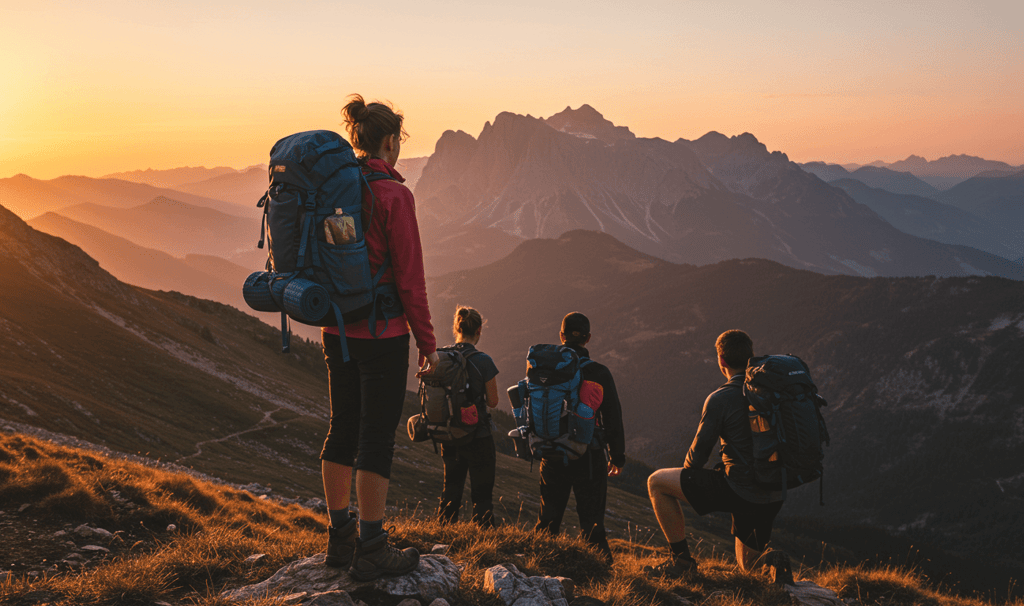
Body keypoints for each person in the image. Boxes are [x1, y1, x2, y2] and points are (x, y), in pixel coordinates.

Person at [320, 95, 439, 581]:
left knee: (342, 426)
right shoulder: (394, 196)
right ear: (390, 142)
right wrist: (429, 346)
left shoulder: (332, 187)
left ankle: (339, 537)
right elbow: (410, 281)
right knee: (374, 438)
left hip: (334, 328)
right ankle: (372, 546)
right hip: (383, 334)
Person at [645, 330, 793, 584]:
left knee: (657, 482)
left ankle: (681, 562)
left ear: (721, 361)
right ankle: (773, 559)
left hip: (739, 489)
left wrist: (689, 480)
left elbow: (698, 456)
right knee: (748, 569)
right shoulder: (774, 392)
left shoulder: (720, 398)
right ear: (750, 357)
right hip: (773, 490)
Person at [534, 312, 626, 564]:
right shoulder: (599, 372)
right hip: (589, 454)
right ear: (588, 338)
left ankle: (537, 568)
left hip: (552, 450)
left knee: (548, 519)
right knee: (592, 522)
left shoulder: (542, 366)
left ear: (561, 336)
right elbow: (613, 417)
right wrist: (617, 456)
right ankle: (602, 578)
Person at [437, 306, 501, 527]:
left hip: (448, 433)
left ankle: (444, 532)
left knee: (451, 488)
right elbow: (493, 401)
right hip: (478, 434)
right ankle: (484, 536)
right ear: (479, 330)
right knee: (482, 493)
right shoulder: (483, 360)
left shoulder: (441, 356)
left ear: (457, 328)